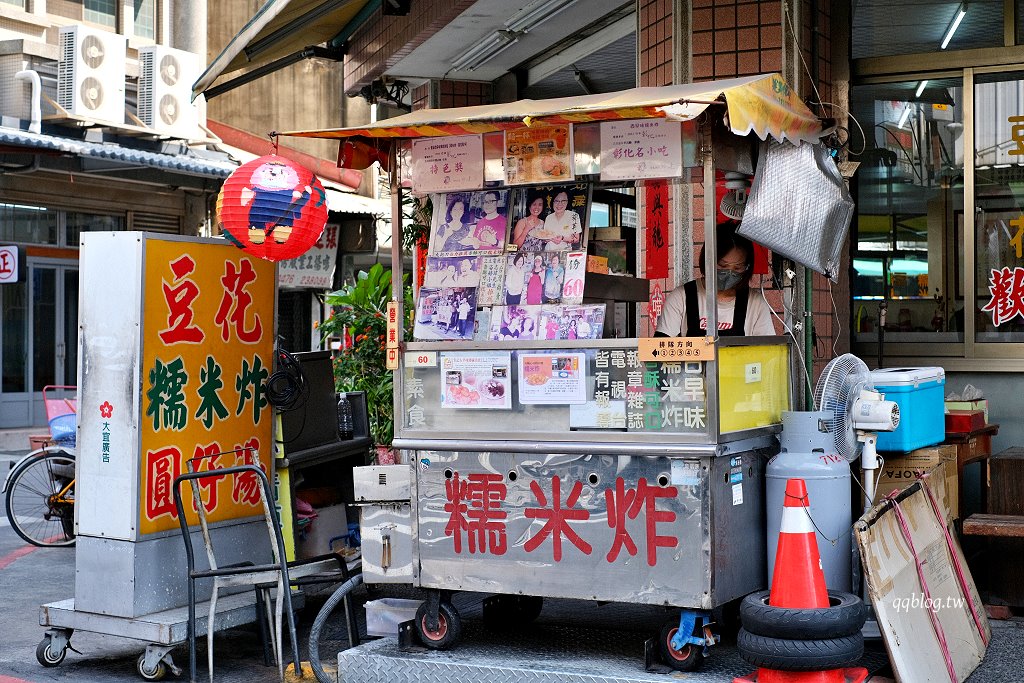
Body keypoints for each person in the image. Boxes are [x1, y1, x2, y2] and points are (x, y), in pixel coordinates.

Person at [655, 222, 776, 337]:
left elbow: (768, 353)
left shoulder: (755, 303)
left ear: (747, 267)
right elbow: (661, 348)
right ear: (707, 260)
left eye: (737, 267)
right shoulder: (682, 297)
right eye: (722, 266)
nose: (729, 273)